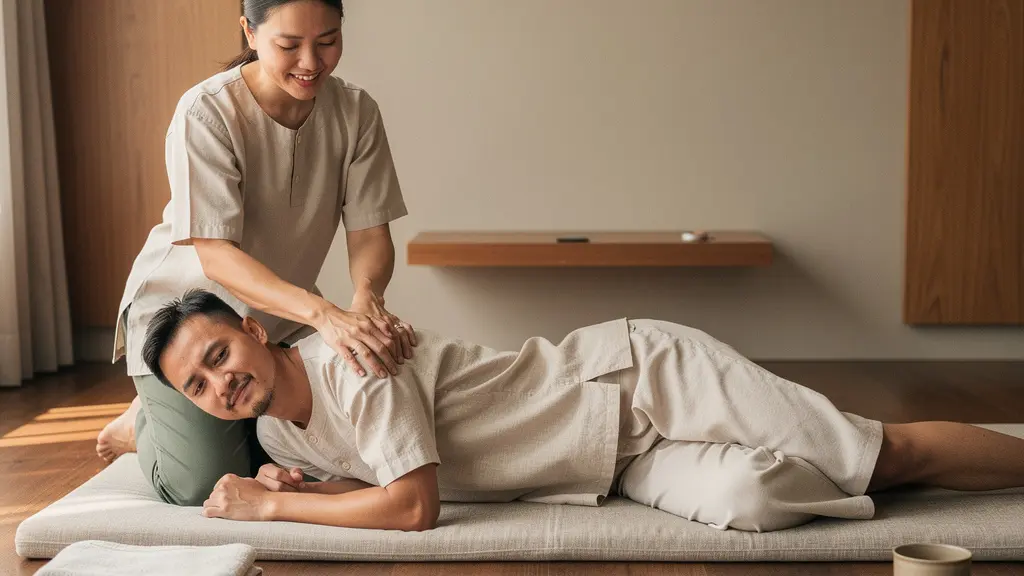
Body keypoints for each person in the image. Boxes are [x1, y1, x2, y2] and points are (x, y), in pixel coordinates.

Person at [139, 289, 1024, 533]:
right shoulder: (272, 426)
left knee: (881, 457)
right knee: (754, 504)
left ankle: (855, 451)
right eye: (199, 387)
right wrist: (301, 480)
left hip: (638, 379)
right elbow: (369, 477)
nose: (220, 386)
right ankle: (817, 455)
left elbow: (412, 507)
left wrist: (273, 504)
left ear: (255, 330)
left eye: (220, 356)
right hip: (615, 464)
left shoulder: (358, 359)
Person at [95, 0, 418, 507]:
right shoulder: (206, 112)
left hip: (282, 313)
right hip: (186, 325)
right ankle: (145, 421)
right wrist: (325, 314)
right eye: (288, 45)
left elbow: (370, 232)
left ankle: (184, 418)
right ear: (249, 31)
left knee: (346, 438)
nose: (311, 62)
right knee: (202, 483)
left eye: (328, 41)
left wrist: (366, 301)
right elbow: (216, 256)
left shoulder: (356, 111)